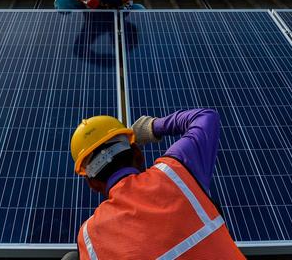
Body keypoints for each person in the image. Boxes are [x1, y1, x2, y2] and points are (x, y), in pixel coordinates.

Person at [65, 110, 245, 260]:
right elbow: (205, 117)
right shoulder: (175, 172)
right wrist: (153, 127)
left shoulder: (90, 237)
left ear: (92, 184)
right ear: (138, 155)